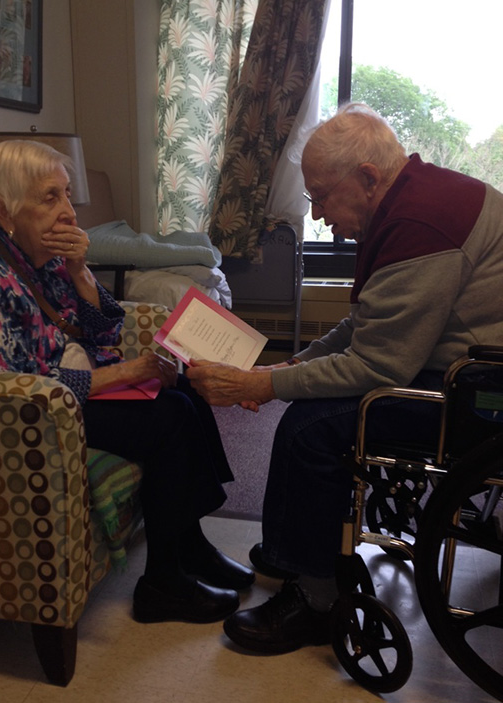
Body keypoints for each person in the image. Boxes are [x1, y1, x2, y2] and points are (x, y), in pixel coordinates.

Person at [186, 102, 503, 653]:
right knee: (310, 404)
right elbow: (367, 323)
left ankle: (314, 601)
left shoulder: (421, 226)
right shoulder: (416, 200)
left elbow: (379, 366)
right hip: (466, 371)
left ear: (367, 179)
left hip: (483, 396)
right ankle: (295, 553)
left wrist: (261, 385)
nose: (318, 214)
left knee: (312, 427)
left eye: (322, 196)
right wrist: (292, 365)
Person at [0, 139, 255, 625]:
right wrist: (123, 373)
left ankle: (190, 544)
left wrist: (79, 272)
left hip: (62, 385)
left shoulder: (41, 252)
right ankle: (162, 583)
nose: (68, 212)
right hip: (26, 413)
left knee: (183, 389)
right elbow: (8, 385)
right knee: (169, 417)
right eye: (49, 198)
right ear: (2, 209)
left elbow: (105, 329)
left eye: (67, 195)